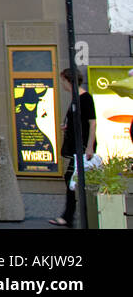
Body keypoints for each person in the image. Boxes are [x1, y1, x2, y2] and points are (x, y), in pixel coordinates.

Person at [51, 67, 96, 227]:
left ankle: (69, 216)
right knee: (72, 179)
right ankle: (69, 215)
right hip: (77, 146)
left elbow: (92, 123)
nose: (62, 84)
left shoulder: (85, 98)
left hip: (82, 147)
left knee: (72, 179)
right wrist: (67, 126)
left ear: (68, 80)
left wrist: (89, 147)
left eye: (63, 80)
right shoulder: (76, 98)